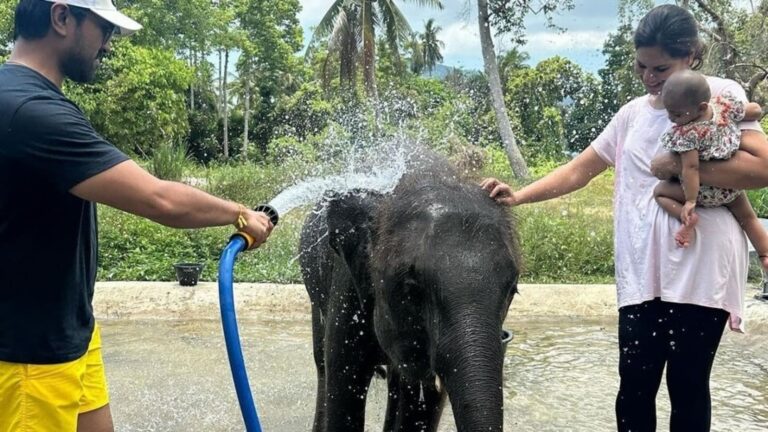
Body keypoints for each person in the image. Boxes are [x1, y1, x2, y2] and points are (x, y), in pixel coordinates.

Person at [481, 4, 768, 432]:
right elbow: (580, 170)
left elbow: (762, 168)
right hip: (641, 273)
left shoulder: (718, 94)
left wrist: (680, 169)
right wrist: (519, 195)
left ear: (690, 55)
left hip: (701, 268)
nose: (650, 77)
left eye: (661, 68)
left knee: (688, 385)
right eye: (641, 66)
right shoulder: (633, 114)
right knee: (634, 384)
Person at [0, 1, 273, 431]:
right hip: (28, 358)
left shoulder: (27, 99)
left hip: (68, 330)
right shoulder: (29, 112)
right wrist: (240, 213)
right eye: (104, 29)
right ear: (61, 18)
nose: (107, 44)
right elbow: (159, 199)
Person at [653, 69, 768, 271]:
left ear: (701, 107)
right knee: (748, 218)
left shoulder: (687, 134)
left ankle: (686, 218)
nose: (671, 119)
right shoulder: (724, 107)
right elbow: (754, 110)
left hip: (704, 190)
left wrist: (690, 201)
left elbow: (691, 167)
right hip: (730, 186)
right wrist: (753, 111)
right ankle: (764, 253)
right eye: (668, 112)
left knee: (660, 192)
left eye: (677, 113)